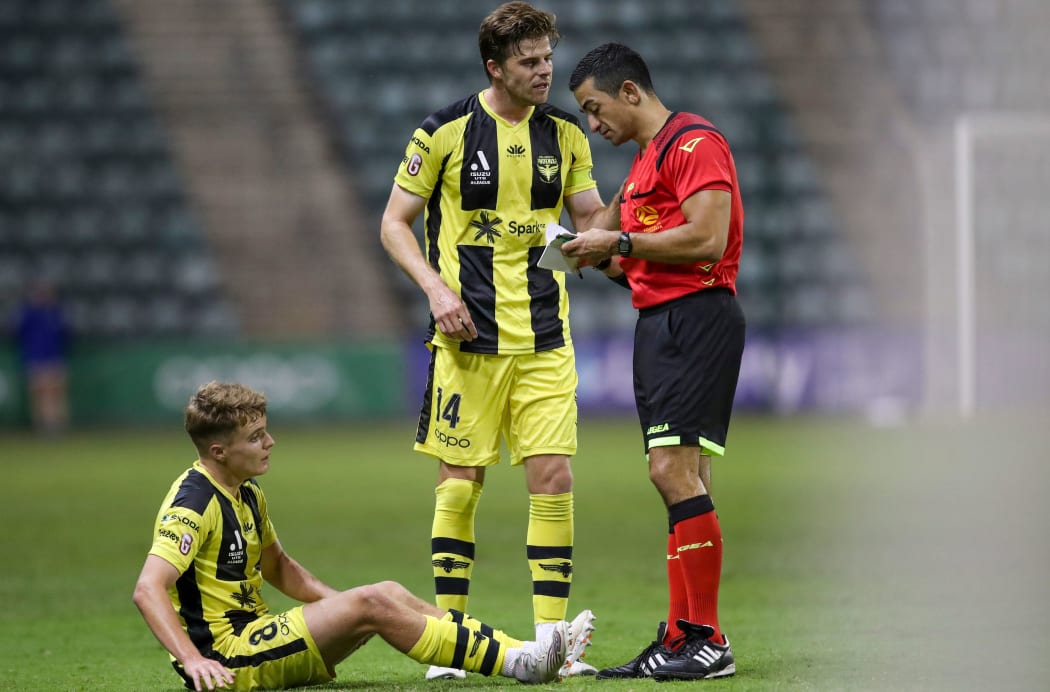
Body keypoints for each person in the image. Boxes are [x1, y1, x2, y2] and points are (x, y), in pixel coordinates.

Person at [379, 1, 614, 680]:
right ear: (495, 67)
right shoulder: (445, 132)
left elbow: (589, 216)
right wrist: (435, 289)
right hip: (466, 340)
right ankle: (451, 645)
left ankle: (554, 646)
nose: (545, 71)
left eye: (547, 58)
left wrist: (609, 226)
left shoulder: (567, 137)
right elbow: (395, 223)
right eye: (529, 62)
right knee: (460, 484)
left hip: (544, 337)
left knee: (554, 477)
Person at [132, 381, 582, 691]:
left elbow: (280, 568)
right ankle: (518, 665)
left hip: (255, 638)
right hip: (227, 660)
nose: (270, 443)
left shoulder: (244, 492)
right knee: (372, 601)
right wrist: (193, 661)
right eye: (256, 437)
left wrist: (338, 607)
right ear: (219, 451)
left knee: (383, 593)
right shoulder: (192, 503)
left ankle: (523, 651)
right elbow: (148, 589)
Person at [560, 42, 746, 681]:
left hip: (695, 317)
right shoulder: (644, 165)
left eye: (594, 108)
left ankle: (706, 638)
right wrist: (588, 250)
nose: (593, 124)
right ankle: (679, 637)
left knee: (671, 472)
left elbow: (708, 236)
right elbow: (621, 259)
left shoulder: (694, 143)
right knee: (678, 479)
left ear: (630, 92)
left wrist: (622, 238)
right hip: (662, 322)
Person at [12, 280, 69, 436]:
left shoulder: (57, 313)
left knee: (56, 395)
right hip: (35, 360)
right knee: (40, 396)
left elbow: (67, 336)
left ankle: (57, 426)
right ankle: (43, 427)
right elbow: (17, 330)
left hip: (55, 359)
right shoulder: (29, 313)